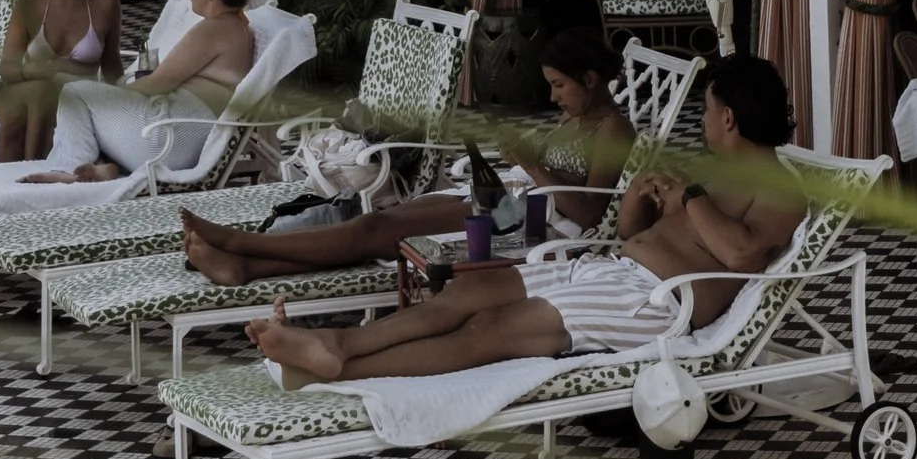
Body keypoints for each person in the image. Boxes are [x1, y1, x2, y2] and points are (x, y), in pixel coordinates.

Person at [246, 52, 800, 386]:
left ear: (728, 117)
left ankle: (339, 366)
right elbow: (635, 236)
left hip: (655, 305)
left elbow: (743, 256)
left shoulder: (781, 191)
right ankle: (339, 344)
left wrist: (690, 200)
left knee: (492, 330)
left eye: (705, 110)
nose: (702, 122)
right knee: (467, 294)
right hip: (613, 272)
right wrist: (639, 194)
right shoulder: (713, 174)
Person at [175, 22, 632, 278]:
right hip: (511, 202)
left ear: (590, 80)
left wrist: (530, 163)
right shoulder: (575, 115)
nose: (553, 98)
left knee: (379, 226)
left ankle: (240, 245)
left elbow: (590, 214)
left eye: (559, 85)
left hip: (534, 227)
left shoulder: (613, 129)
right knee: (381, 223)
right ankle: (245, 264)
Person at [24, 0, 268, 186]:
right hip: (189, 136)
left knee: (74, 92)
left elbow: (156, 84)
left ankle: (68, 168)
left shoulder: (212, 29)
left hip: (170, 137)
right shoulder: (237, 28)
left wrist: (118, 89)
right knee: (101, 104)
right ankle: (103, 166)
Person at [0, 0, 122, 160]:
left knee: (43, 94)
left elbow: (111, 61)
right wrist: (30, 70)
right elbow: (6, 68)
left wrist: (124, 99)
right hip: (30, 93)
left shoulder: (106, 3)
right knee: (40, 91)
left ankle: (30, 171)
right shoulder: (29, 6)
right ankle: (27, 171)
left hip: (80, 96)